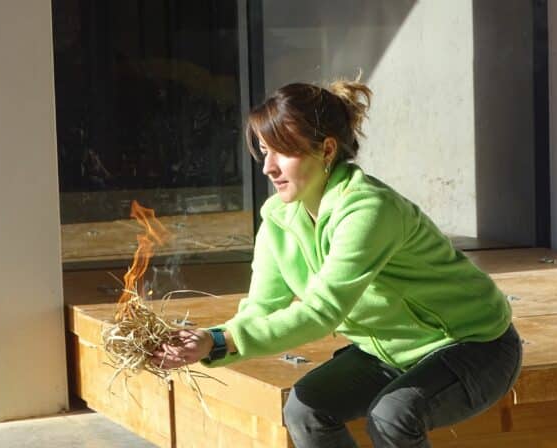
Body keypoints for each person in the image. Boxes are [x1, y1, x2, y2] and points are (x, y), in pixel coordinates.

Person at [152, 78, 522, 448]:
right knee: (305, 409)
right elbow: (261, 308)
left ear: (326, 150)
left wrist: (228, 340)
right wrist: (210, 341)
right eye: (264, 151)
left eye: (283, 152)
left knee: (393, 417)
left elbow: (320, 312)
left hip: (473, 345)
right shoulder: (278, 220)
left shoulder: (369, 210)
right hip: (389, 350)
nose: (268, 167)